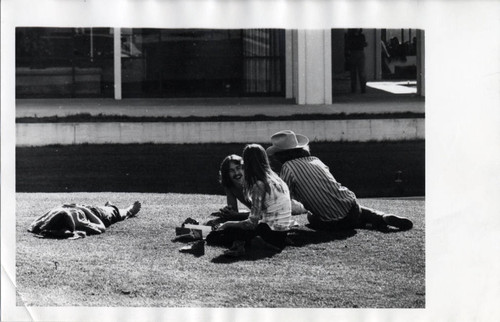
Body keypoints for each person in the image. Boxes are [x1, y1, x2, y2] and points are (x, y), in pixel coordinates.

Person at [266, 130, 413, 232]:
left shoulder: (287, 167)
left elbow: (284, 199)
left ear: (281, 155)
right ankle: (381, 217)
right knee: (350, 208)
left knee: (312, 216)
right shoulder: (315, 160)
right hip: (351, 205)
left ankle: (369, 223)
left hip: (333, 221)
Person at [215, 144, 294, 257]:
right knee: (232, 231)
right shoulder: (276, 178)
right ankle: (261, 242)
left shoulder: (259, 185)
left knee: (218, 235)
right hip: (282, 233)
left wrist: (228, 224)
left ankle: (258, 243)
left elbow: (252, 223)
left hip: (269, 232)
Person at [28, 201, 142, 239]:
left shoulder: (46, 221)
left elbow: (33, 224)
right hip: (93, 213)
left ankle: (108, 206)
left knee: (107, 209)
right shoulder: (78, 221)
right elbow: (101, 227)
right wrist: (81, 208)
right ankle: (129, 211)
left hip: (76, 207)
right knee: (114, 212)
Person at [345, 29, 367, 93]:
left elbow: (350, 45)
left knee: (359, 72)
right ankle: (355, 89)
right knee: (354, 72)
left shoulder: (359, 36)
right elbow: (362, 44)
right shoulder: (360, 36)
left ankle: (362, 89)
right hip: (356, 53)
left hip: (356, 53)